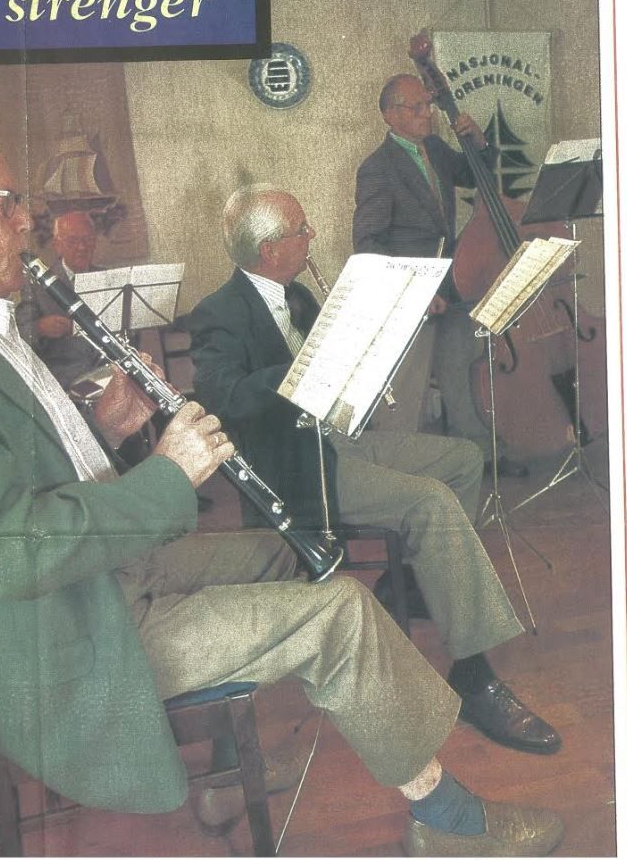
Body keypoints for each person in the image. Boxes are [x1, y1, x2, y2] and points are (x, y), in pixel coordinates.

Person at [0, 111, 564, 857]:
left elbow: (30, 471)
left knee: (288, 556)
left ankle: (232, 769)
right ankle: (446, 819)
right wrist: (169, 473)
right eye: (2, 202)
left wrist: (107, 427)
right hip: (76, 634)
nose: (24, 218)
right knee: (342, 612)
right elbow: (8, 551)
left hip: (105, 577)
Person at [189, 182, 562, 756]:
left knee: (463, 460)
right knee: (429, 501)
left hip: (337, 442)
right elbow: (224, 399)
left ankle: (414, 579)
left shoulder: (299, 296)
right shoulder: (218, 313)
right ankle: (473, 671)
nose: (311, 236)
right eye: (301, 230)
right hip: (294, 469)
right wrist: (302, 370)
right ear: (269, 249)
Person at [353, 74, 527, 477]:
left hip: (453, 282)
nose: (427, 114)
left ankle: (479, 457)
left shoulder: (433, 147)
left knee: (462, 373)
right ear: (390, 115)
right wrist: (411, 289)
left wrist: (478, 143)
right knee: (408, 391)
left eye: (428, 105)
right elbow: (367, 242)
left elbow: (472, 175)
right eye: (417, 107)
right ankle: (398, 474)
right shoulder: (377, 169)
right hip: (411, 294)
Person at [15, 209, 102, 391]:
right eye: (73, 241)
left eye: (87, 240)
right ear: (57, 245)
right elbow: (20, 335)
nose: (82, 247)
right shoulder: (36, 285)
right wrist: (40, 328)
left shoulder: (107, 278)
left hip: (107, 373)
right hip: (63, 381)